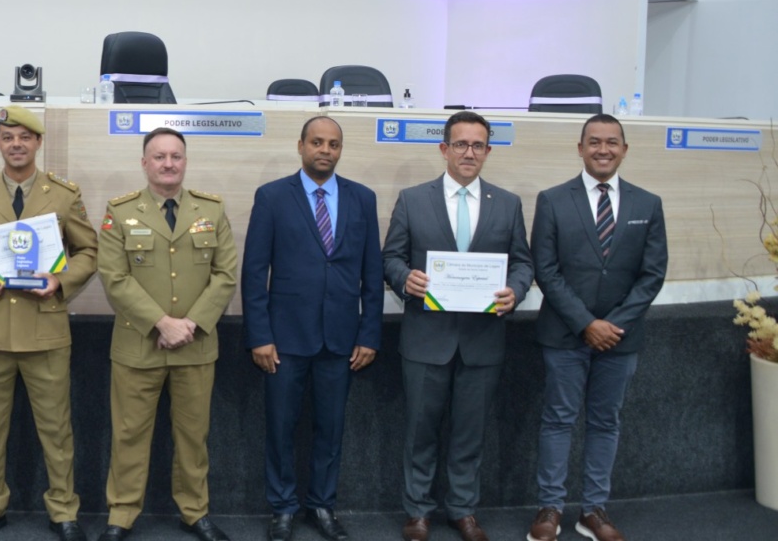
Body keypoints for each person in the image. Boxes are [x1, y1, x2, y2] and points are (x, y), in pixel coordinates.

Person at [0, 106, 98, 541]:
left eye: (25, 137)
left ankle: (63, 511)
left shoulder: (63, 195)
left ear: (38, 143)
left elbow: (89, 252)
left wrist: (60, 279)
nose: (16, 144)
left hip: (45, 328)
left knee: (56, 428)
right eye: (8, 136)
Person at [381, 111, 533, 541]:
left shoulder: (507, 203)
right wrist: (403, 277)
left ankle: (463, 510)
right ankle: (418, 512)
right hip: (427, 338)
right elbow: (390, 257)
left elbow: (523, 262)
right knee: (419, 431)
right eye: (461, 144)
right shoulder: (413, 199)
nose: (470, 152)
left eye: (478, 145)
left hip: (482, 341)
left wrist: (515, 292)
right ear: (444, 149)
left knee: (470, 432)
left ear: (488, 151)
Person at [241, 115, 383, 541]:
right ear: (300, 145)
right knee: (281, 426)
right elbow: (254, 272)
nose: (325, 150)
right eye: (317, 142)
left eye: (333, 144)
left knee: (331, 427)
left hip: (341, 339)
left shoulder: (363, 198)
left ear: (341, 150)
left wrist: (369, 334)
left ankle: (322, 505)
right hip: (284, 339)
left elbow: (371, 274)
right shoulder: (271, 197)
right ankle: (283, 507)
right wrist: (260, 336)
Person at [527, 114, 667, 541]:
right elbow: (545, 271)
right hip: (565, 334)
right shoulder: (552, 200)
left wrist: (612, 326)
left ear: (625, 149)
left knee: (606, 422)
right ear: (580, 147)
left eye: (611, 142)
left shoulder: (648, 204)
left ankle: (593, 511)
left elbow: (653, 275)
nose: (602, 149)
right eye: (594, 142)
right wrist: (587, 323)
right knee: (558, 420)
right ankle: (550, 508)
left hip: (620, 340)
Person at [95, 127, 238, 541]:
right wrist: (162, 322)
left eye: (176, 156)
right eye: (159, 157)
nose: (168, 163)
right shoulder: (120, 211)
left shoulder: (211, 209)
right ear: (144, 163)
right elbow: (114, 277)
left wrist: (188, 325)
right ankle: (121, 514)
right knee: (128, 434)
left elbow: (226, 275)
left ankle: (195, 511)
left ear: (185, 161)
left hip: (195, 345)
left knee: (194, 436)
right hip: (138, 345)